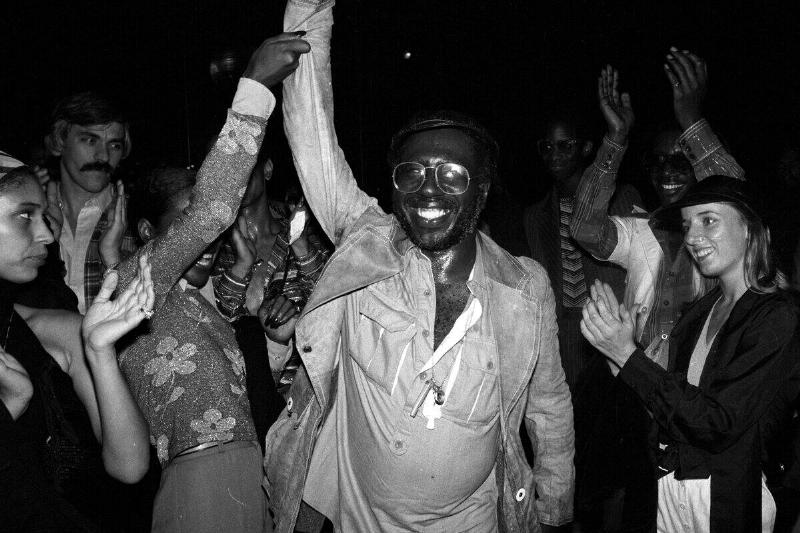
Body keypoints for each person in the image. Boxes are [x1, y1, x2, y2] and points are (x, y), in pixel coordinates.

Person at [264, 2, 574, 532]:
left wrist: (552, 505)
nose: (429, 188)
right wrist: (309, 15)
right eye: (413, 173)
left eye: (452, 173)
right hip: (360, 520)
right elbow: (312, 139)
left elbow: (548, 403)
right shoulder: (364, 245)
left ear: (481, 190)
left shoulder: (524, 287)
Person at [116, 32, 308, 533]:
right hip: (202, 477)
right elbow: (213, 208)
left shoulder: (191, 304)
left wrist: (264, 319)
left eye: (210, 236)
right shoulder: (136, 282)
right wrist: (255, 86)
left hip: (250, 471)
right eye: (191, 229)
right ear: (146, 235)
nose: (209, 241)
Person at [581, 176, 797, 532]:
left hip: (726, 499)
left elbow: (716, 423)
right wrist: (618, 359)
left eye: (708, 220)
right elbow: (667, 409)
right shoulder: (699, 312)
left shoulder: (776, 316)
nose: (693, 237)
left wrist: (629, 358)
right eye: (687, 225)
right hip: (669, 490)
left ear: (749, 228)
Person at [0, 163, 152, 531]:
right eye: (25, 215)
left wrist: (100, 353)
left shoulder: (52, 330)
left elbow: (130, 467)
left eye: (45, 217)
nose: (47, 235)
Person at [570, 49, 745, 368]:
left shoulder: (725, 239)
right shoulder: (640, 230)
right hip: (638, 378)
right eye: (658, 162)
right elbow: (585, 229)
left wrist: (692, 121)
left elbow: (737, 196)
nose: (667, 172)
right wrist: (615, 139)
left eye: (681, 162)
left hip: (700, 383)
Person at [213, 153, 330, 445]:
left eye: (243, 163)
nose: (234, 175)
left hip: (304, 417)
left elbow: (334, 305)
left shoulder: (309, 236)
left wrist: (299, 242)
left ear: (266, 168)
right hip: (234, 417)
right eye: (225, 166)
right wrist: (242, 267)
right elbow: (215, 326)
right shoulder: (209, 247)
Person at [42, 91, 136, 313]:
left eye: (114, 145)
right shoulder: (30, 217)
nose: (103, 156)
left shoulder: (139, 218)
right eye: (90, 140)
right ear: (59, 142)